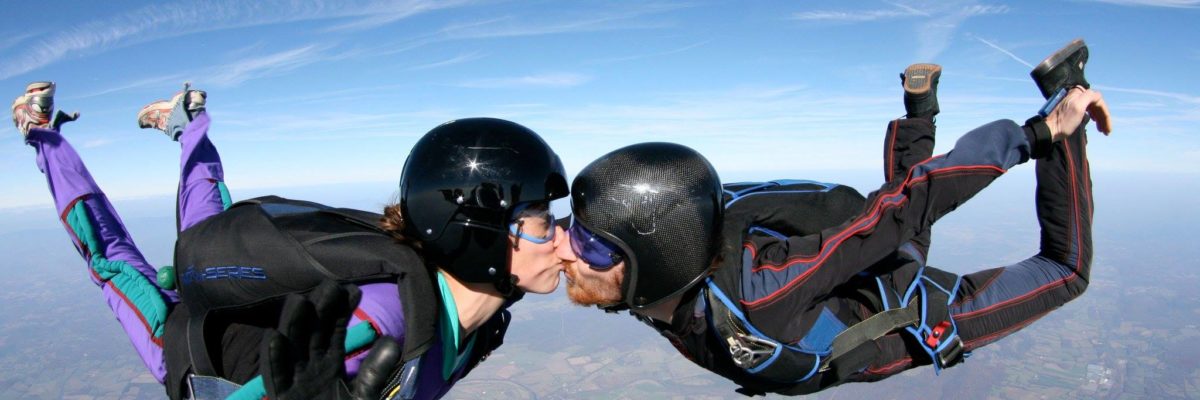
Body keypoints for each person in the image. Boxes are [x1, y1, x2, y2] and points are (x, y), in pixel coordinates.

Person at [556, 39, 1112, 396]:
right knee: (899, 228)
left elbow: (894, 214)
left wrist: (1037, 135)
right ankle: (920, 110)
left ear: (652, 261)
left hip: (903, 313)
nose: (567, 253)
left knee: (1065, 270)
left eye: (592, 245)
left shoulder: (761, 294)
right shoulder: (650, 287)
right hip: (861, 285)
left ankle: (1068, 105)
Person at [12, 82, 569, 399]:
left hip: (235, 294)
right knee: (110, 257)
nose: (563, 237)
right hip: (187, 344)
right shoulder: (377, 328)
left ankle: (189, 125)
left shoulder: (479, 324)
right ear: (482, 234)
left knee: (207, 218)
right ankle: (43, 136)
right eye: (543, 220)